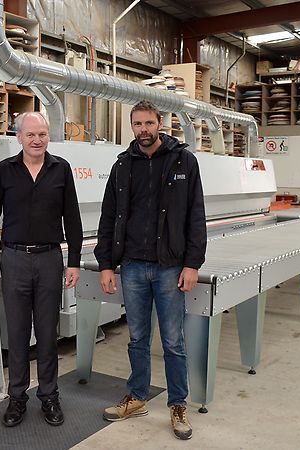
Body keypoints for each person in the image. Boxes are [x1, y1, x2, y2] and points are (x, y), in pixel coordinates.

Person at [94, 100, 207, 440]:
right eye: (137, 124)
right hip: (132, 266)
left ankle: (178, 405)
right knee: (137, 338)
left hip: (169, 267)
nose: (143, 129)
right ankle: (138, 397)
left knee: (173, 341)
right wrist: (106, 264)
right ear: (131, 127)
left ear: (160, 123)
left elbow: (195, 216)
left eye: (148, 123)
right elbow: (108, 215)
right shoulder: (123, 165)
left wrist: (192, 263)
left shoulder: (183, 161)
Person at [0, 112, 83, 428]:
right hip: (13, 259)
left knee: (49, 334)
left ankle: (49, 396)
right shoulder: (4, 171)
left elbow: (73, 218)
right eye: (30, 135)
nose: (36, 140)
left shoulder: (61, 169)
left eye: (42, 134)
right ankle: (17, 398)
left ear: (47, 136)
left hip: (50, 258)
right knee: (19, 332)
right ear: (19, 137)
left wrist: (74, 261)